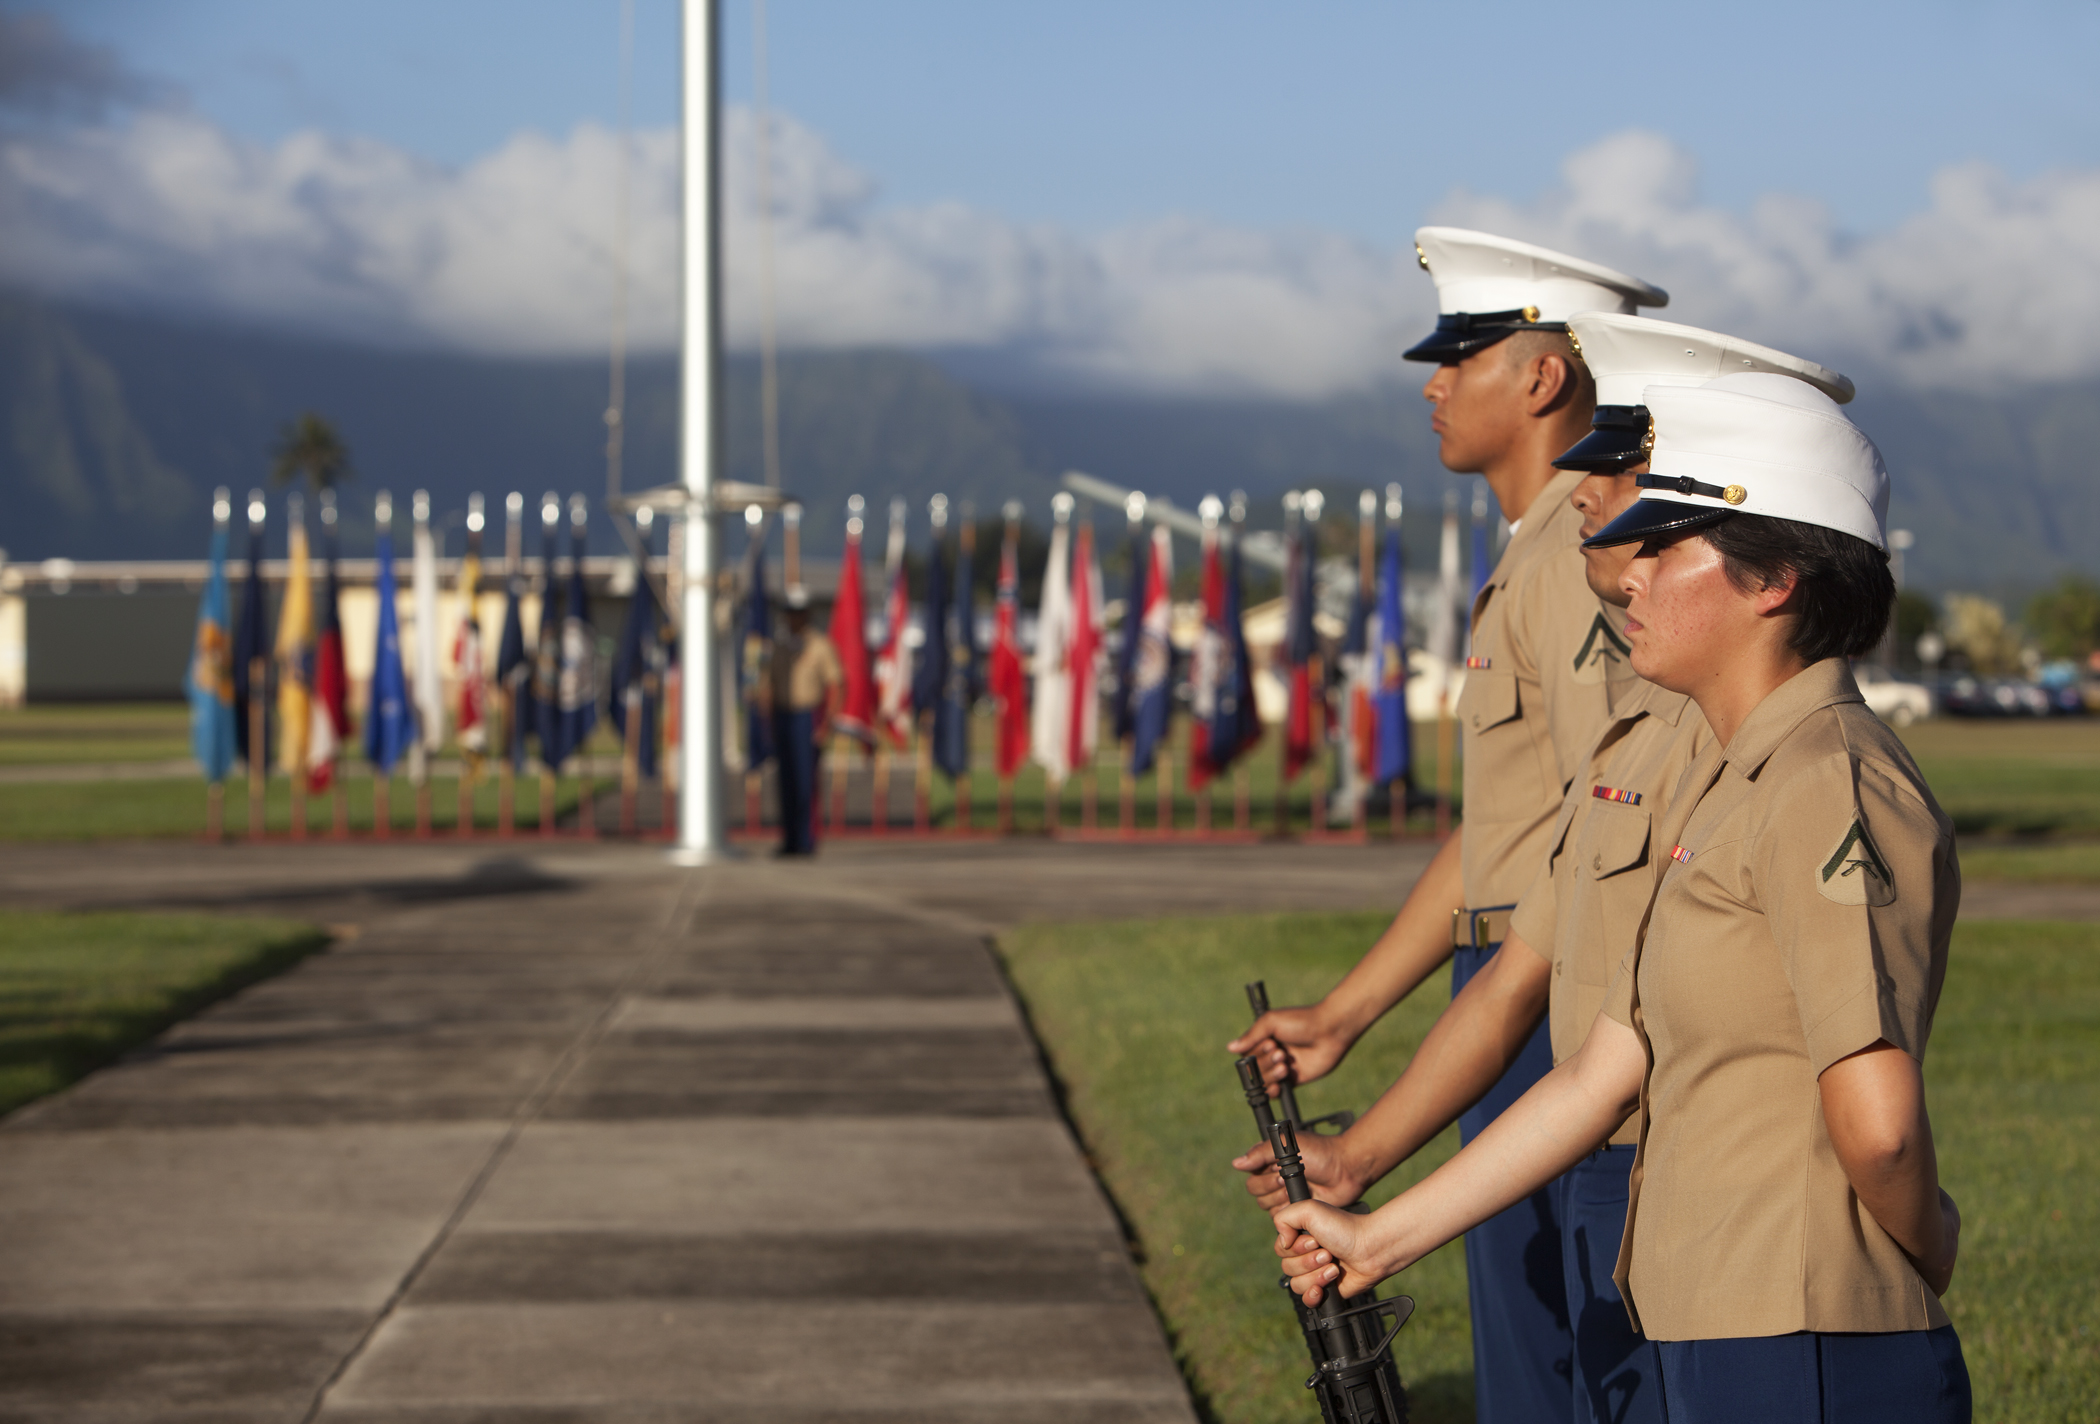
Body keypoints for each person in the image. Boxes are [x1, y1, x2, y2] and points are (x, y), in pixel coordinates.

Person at [1274, 371, 1971, 1423]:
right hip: (1714, 1327)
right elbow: (1603, 1072)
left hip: (1810, 1338)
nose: (1630, 575)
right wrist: (1377, 1235)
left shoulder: (1825, 777)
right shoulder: (1739, 780)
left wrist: (1925, 1249)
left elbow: (1878, 1125)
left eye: (1667, 543)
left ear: (1774, 575)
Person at [1231, 228, 1666, 1423]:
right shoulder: (1536, 556)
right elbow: (1500, 834)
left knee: (1562, 1372)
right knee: (1535, 1355)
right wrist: (1346, 1014)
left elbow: (1591, 855)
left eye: (1460, 356)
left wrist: (1373, 1139)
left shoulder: (1586, 557)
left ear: (1540, 377)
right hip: (1505, 983)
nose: (1431, 384)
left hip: (1545, 996)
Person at [766, 584, 842, 856]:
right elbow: (771, 684)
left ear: (807, 614)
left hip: (807, 716)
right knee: (785, 782)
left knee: (806, 781)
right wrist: (769, 721)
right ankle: (789, 839)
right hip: (784, 715)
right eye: (789, 612)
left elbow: (834, 685)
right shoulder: (780, 646)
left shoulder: (820, 645)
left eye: (798, 612)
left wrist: (825, 724)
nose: (793, 617)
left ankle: (806, 839)